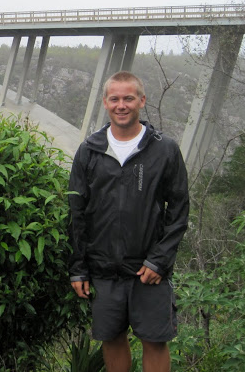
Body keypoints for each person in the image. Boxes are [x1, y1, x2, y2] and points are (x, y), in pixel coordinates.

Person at [68, 71, 189, 372]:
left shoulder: (164, 149)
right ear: (106, 103)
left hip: (148, 268)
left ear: (141, 101)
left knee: (154, 340)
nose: (121, 105)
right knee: (112, 338)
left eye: (128, 98)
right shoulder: (89, 150)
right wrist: (78, 268)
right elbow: (76, 212)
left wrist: (159, 261)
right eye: (115, 99)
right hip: (104, 269)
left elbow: (179, 209)